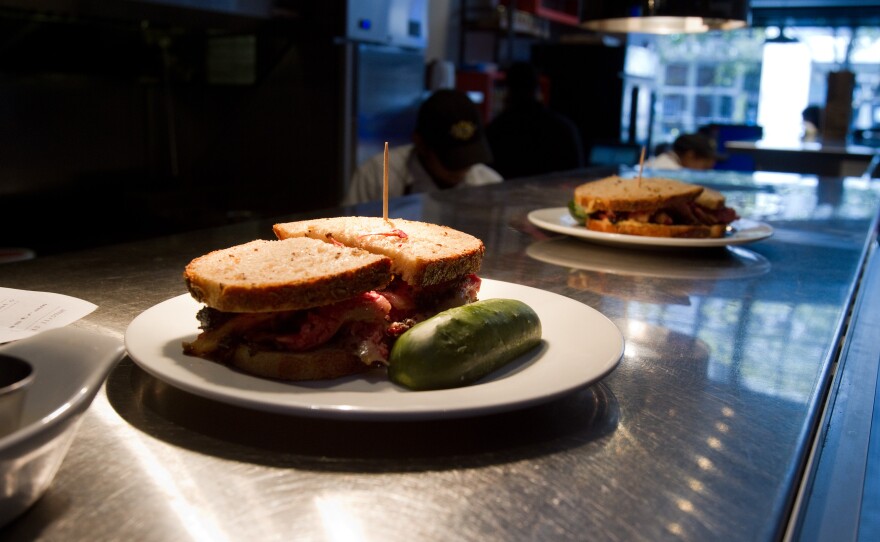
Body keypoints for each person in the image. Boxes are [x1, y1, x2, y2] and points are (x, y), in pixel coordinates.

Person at [343, 89, 502, 206]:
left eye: (469, 157)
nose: (462, 169)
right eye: (453, 161)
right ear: (420, 144)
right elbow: (346, 230)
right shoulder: (377, 175)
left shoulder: (489, 185)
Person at [485, 62, 584, 179]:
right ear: (538, 88)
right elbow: (576, 175)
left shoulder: (495, 130)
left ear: (508, 89)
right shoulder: (563, 128)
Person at [644, 133, 721, 170]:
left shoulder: (662, 160)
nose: (703, 171)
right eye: (704, 167)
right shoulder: (669, 170)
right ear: (690, 155)